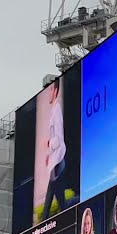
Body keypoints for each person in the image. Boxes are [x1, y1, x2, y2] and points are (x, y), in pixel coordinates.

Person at [41, 80, 71, 220]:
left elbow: (58, 139)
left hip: (58, 163)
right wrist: (49, 154)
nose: (49, 92)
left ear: (57, 91)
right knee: (59, 202)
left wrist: (48, 144)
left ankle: (42, 226)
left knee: (55, 200)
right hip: (55, 162)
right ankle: (43, 225)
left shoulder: (57, 110)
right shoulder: (54, 110)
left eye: (52, 89)